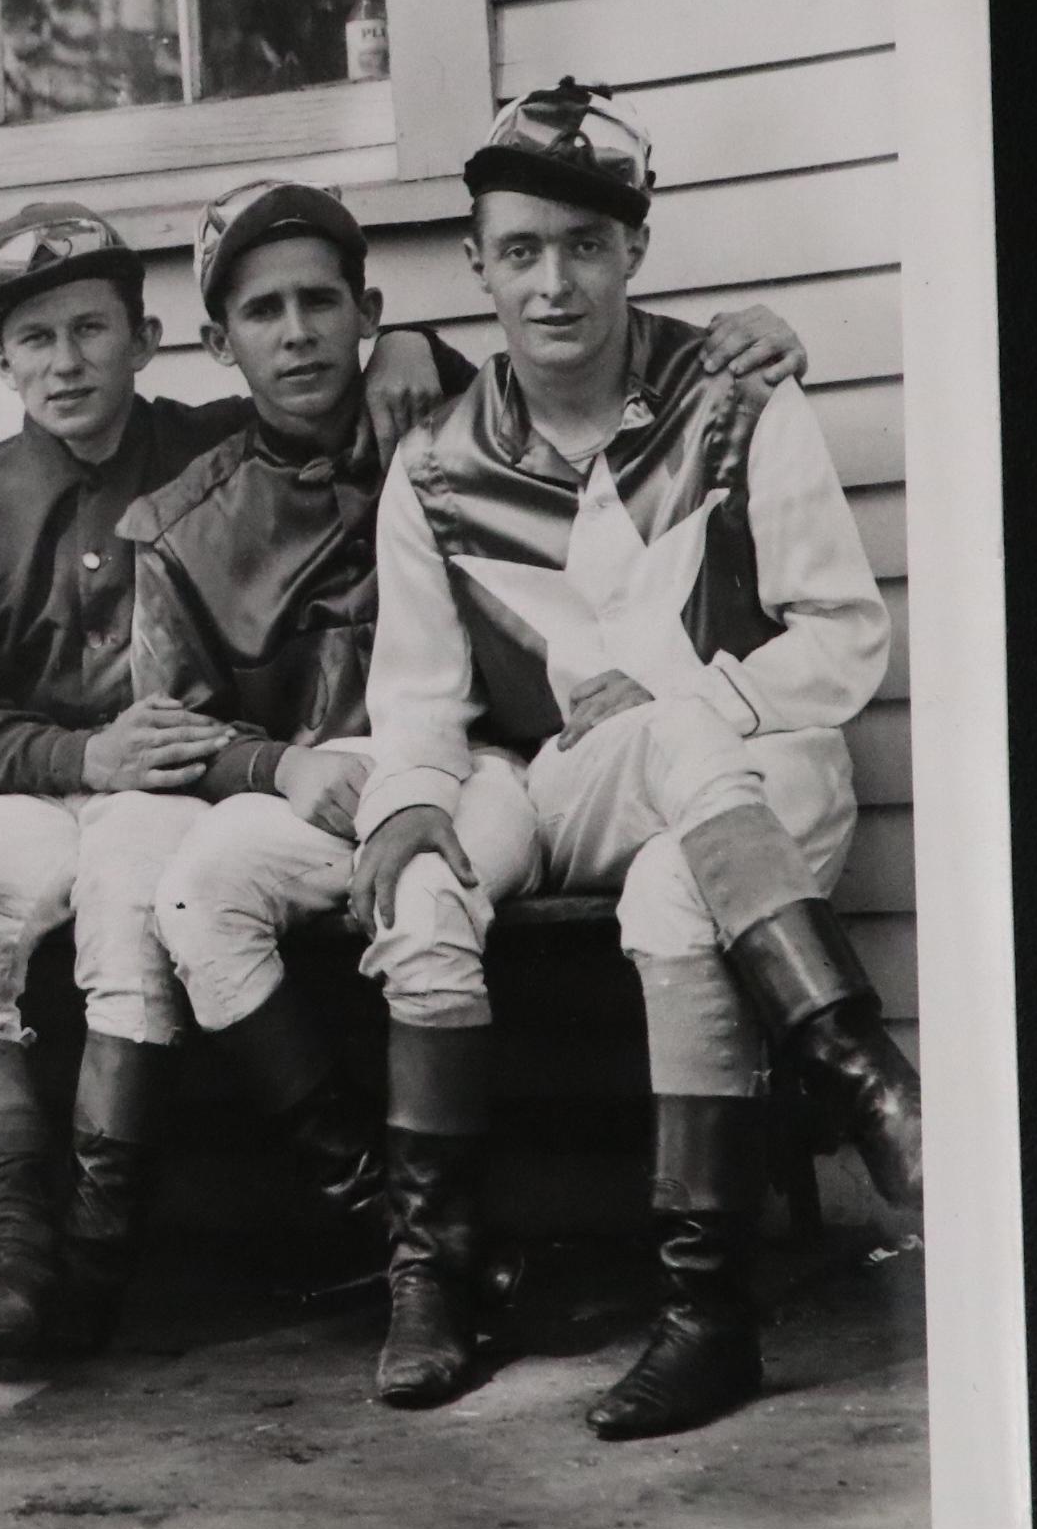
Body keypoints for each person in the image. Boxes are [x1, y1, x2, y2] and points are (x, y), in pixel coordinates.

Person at [130, 178, 806, 1403]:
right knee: (196, 887)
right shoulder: (190, 495)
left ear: (371, 313)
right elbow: (169, 713)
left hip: (488, 763)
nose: (298, 334)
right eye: (263, 312)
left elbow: (584, 350)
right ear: (217, 338)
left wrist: (754, 330)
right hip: (320, 781)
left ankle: (447, 1267)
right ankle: (412, 1241)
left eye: (323, 305)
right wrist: (277, 764)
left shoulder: (446, 406)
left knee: (433, 893)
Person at [356, 80, 921, 1440]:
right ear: (480, 267)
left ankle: (706, 1319)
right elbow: (419, 702)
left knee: (677, 868)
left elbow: (843, 644)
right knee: (425, 896)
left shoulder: (733, 407)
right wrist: (408, 807)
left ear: (635, 252)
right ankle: (433, 1276)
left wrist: (688, 696)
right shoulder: (432, 465)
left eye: (587, 247)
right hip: (571, 779)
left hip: (768, 779)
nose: (556, 284)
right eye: (522, 252)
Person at [0, 203, 456, 1371]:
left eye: (91, 329)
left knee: (129, 890)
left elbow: (332, 388)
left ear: (148, 339)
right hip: (41, 780)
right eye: (33, 338)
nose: (66, 361)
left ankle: (90, 1262)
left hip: (193, 775)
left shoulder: (210, 434)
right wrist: (78, 754)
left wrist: (416, 348)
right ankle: (16, 1257)